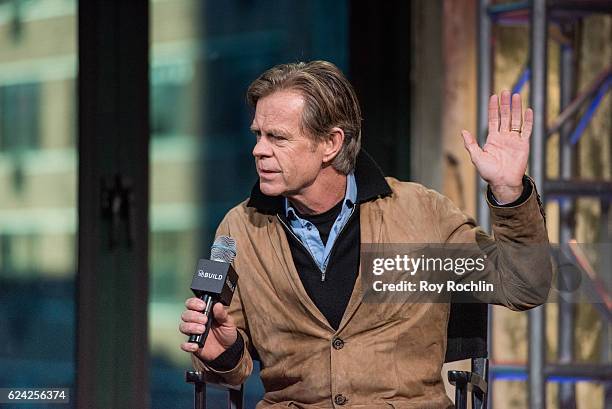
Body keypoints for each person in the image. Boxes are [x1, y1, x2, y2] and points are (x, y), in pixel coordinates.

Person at [179, 60, 552, 408]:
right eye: (258, 135)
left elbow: (522, 286)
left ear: (331, 143)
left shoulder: (421, 215)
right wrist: (222, 352)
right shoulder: (241, 228)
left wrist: (509, 193)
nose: (259, 150)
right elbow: (233, 367)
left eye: (278, 138)